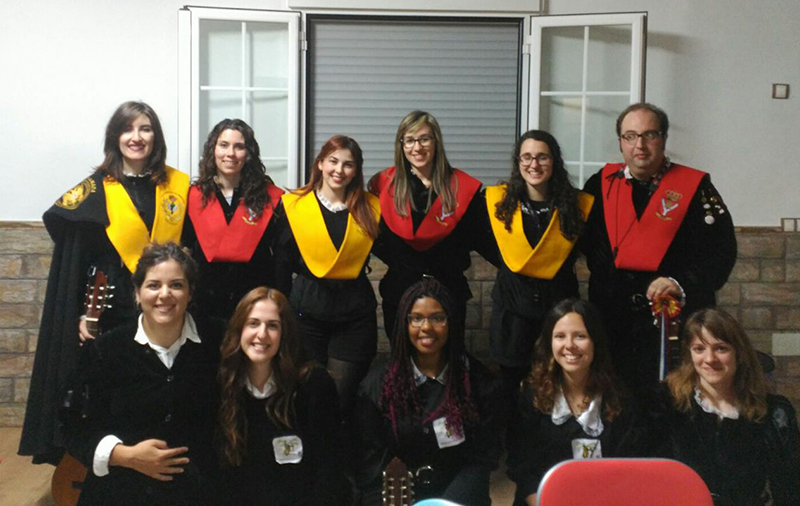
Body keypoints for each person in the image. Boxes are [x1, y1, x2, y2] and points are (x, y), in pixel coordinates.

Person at [20, 101, 189, 465]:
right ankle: (113, 462)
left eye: (145, 129)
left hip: (162, 311)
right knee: (110, 397)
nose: (137, 137)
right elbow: (79, 260)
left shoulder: (176, 187)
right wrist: (82, 314)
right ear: (115, 137)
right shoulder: (96, 190)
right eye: (128, 129)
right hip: (112, 314)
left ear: (156, 137)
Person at [581, 103, 737, 391]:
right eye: (630, 136)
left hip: (674, 323)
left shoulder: (695, 188)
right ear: (620, 142)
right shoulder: (599, 185)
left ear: (663, 139)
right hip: (611, 322)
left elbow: (721, 253)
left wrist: (679, 282)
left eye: (649, 135)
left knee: (673, 403)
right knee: (617, 405)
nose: (639, 145)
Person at [62, 243, 221, 505]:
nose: (165, 295)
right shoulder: (104, 350)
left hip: (199, 491)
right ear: (137, 293)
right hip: (121, 491)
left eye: (177, 285)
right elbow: (70, 424)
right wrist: (126, 456)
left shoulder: (219, 342)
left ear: (191, 292)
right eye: (154, 285)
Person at [355, 278, 505, 505]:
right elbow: (372, 465)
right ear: (404, 324)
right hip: (398, 497)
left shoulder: (478, 383)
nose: (426, 327)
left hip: (460, 499)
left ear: (451, 323)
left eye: (437, 318)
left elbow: (481, 461)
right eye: (416, 318)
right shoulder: (377, 386)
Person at [274, 135, 380, 414]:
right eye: (333, 161)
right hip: (306, 314)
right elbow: (282, 265)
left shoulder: (370, 208)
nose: (339, 170)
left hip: (354, 317)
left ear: (356, 171)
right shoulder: (294, 206)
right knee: (307, 394)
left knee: (340, 400)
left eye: (348, 164)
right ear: (320, 163)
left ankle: (340, 456)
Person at [216, 287, 351, 505]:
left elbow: (330, 470)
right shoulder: (223, 386)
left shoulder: (312, 385)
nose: (262, 334)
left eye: (272, 325)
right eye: (253, 323)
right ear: (239, 329)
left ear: (284, 334)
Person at [507, 298, 648, 506]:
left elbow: (630, 472)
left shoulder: (621, 399)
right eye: (560, 336)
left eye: (580, 336)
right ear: (549, 343)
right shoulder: (530, 395)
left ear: (595, 342)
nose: (569, 346)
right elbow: (522, 465)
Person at [369, 110, 497, 337]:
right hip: (400, 290)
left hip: (448, 290)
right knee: (402, 362)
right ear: (401, 144)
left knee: (449, 363)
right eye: (409, 140)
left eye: (424, 139)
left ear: (436, 141)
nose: (417, 147)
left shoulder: (461, 187)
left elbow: (478, 239)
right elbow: (376, 239)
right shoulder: (384, 185)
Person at [486, 130, 594, 395]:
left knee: (560, 388)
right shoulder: (496, 202)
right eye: (526, 157)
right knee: (512, 394)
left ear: (554, 161)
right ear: (517, 162)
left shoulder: (577, 206)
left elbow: (592, 248)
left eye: (542, 157)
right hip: (512, 320)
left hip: (558, 318)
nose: (534, 165)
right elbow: (487, 245)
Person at [656, 308, 800, 505]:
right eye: (699, 349)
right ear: (689, 353)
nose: (709, 359)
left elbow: (790, 491)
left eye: (721, 348)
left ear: (739, 353)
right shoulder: (666, 405)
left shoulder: (774, 412)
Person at [183, 119, 284, 320]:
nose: (231, 153)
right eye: (223, 145)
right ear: (213, 150)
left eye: (239, 147)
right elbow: (185, 248)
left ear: (249, 154)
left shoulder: (269, 198)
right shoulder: (192, 197)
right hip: (205, 303)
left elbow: (281, 255)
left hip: (256, 302)